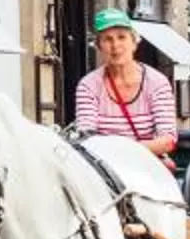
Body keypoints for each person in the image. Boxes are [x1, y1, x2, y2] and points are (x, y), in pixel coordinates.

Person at [71, 9, 178, 155]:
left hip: (147, 163)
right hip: (105, 167)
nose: (115, 46)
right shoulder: (88, 86)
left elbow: (168, 140)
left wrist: (126, 152)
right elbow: (86, 138)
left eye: (122, 37)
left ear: (134, 43)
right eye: (107, 39)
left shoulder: (157, 82)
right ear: (99, 47)